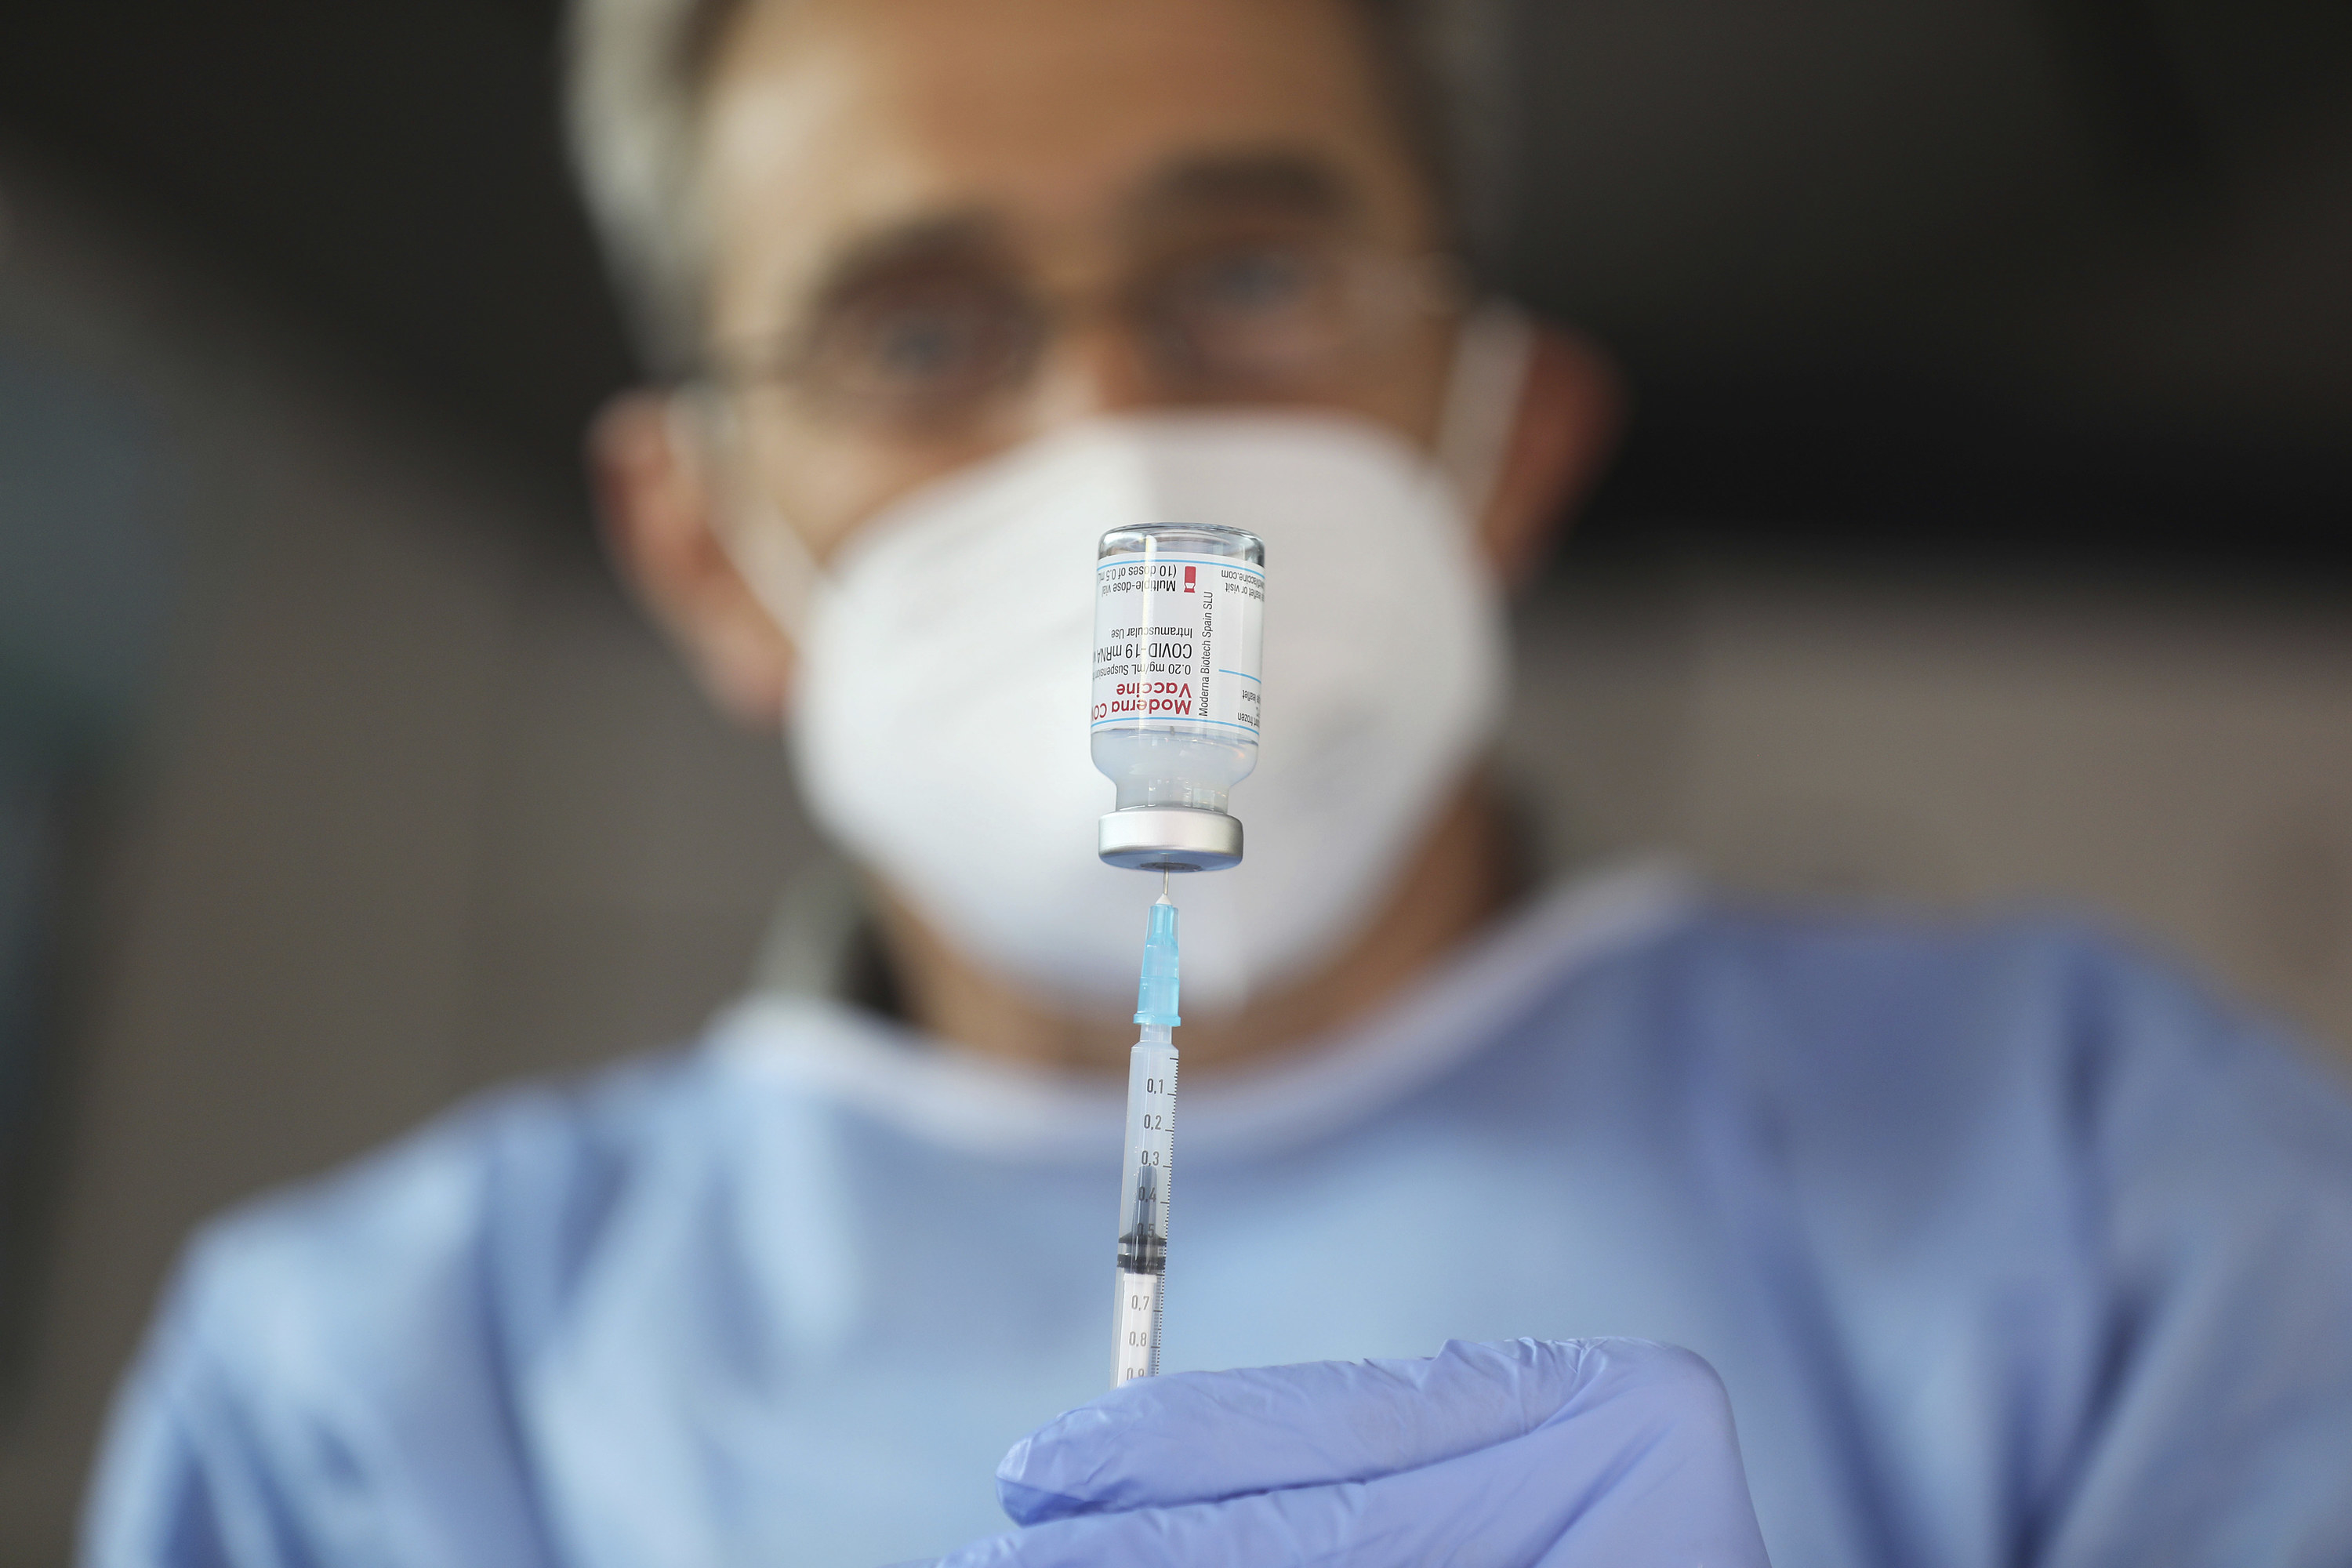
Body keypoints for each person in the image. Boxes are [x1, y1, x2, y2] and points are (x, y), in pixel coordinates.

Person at [80, 0, 2352, 1563]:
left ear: (1509, 433)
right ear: (704, 550)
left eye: (1253, 271)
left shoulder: (2106, 1174)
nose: (1110, 435)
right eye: (913, 329)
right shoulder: (371, 1397)